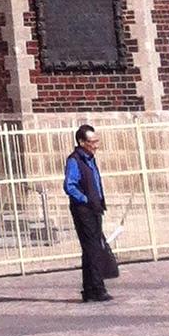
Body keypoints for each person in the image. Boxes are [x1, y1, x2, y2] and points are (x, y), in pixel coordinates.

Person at [64, 123, 113, 304]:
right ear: (82, 142)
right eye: (92, 141)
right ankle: (97, 288)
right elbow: (69, 185)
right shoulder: (75, 160)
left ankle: (90, 289)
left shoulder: (90, 159)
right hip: (83, 209)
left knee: (91, 249)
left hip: (95, 207)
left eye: (97, 141)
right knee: (92, 248)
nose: (96, 145)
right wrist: (85, 200)